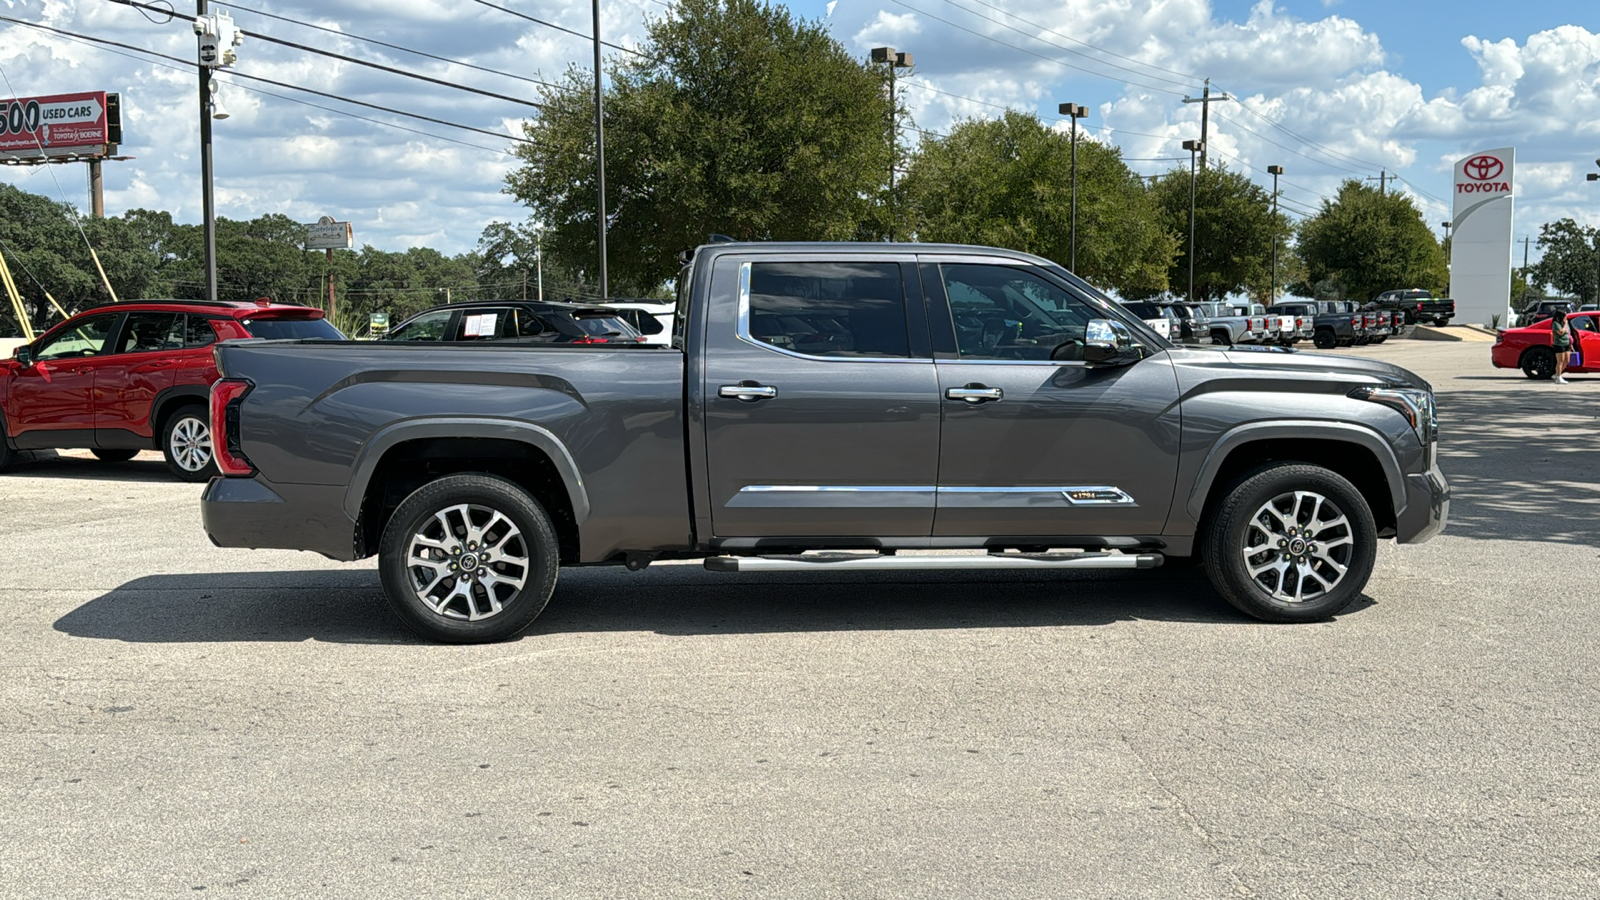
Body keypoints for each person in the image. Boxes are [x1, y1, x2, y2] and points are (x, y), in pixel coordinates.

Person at [1550, 310, 1574, 384]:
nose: (1565, 318)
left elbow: (1568, 333)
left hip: (1566, 343)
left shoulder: (1563, 323)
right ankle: (1558, 377)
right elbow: (1561, 332)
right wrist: (1565, 325)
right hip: (1559, 344)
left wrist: (1571, 343)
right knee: (1560, 361)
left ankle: (1557, 374)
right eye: (1564, 316)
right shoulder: (1555, 324)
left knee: (1567, 360)